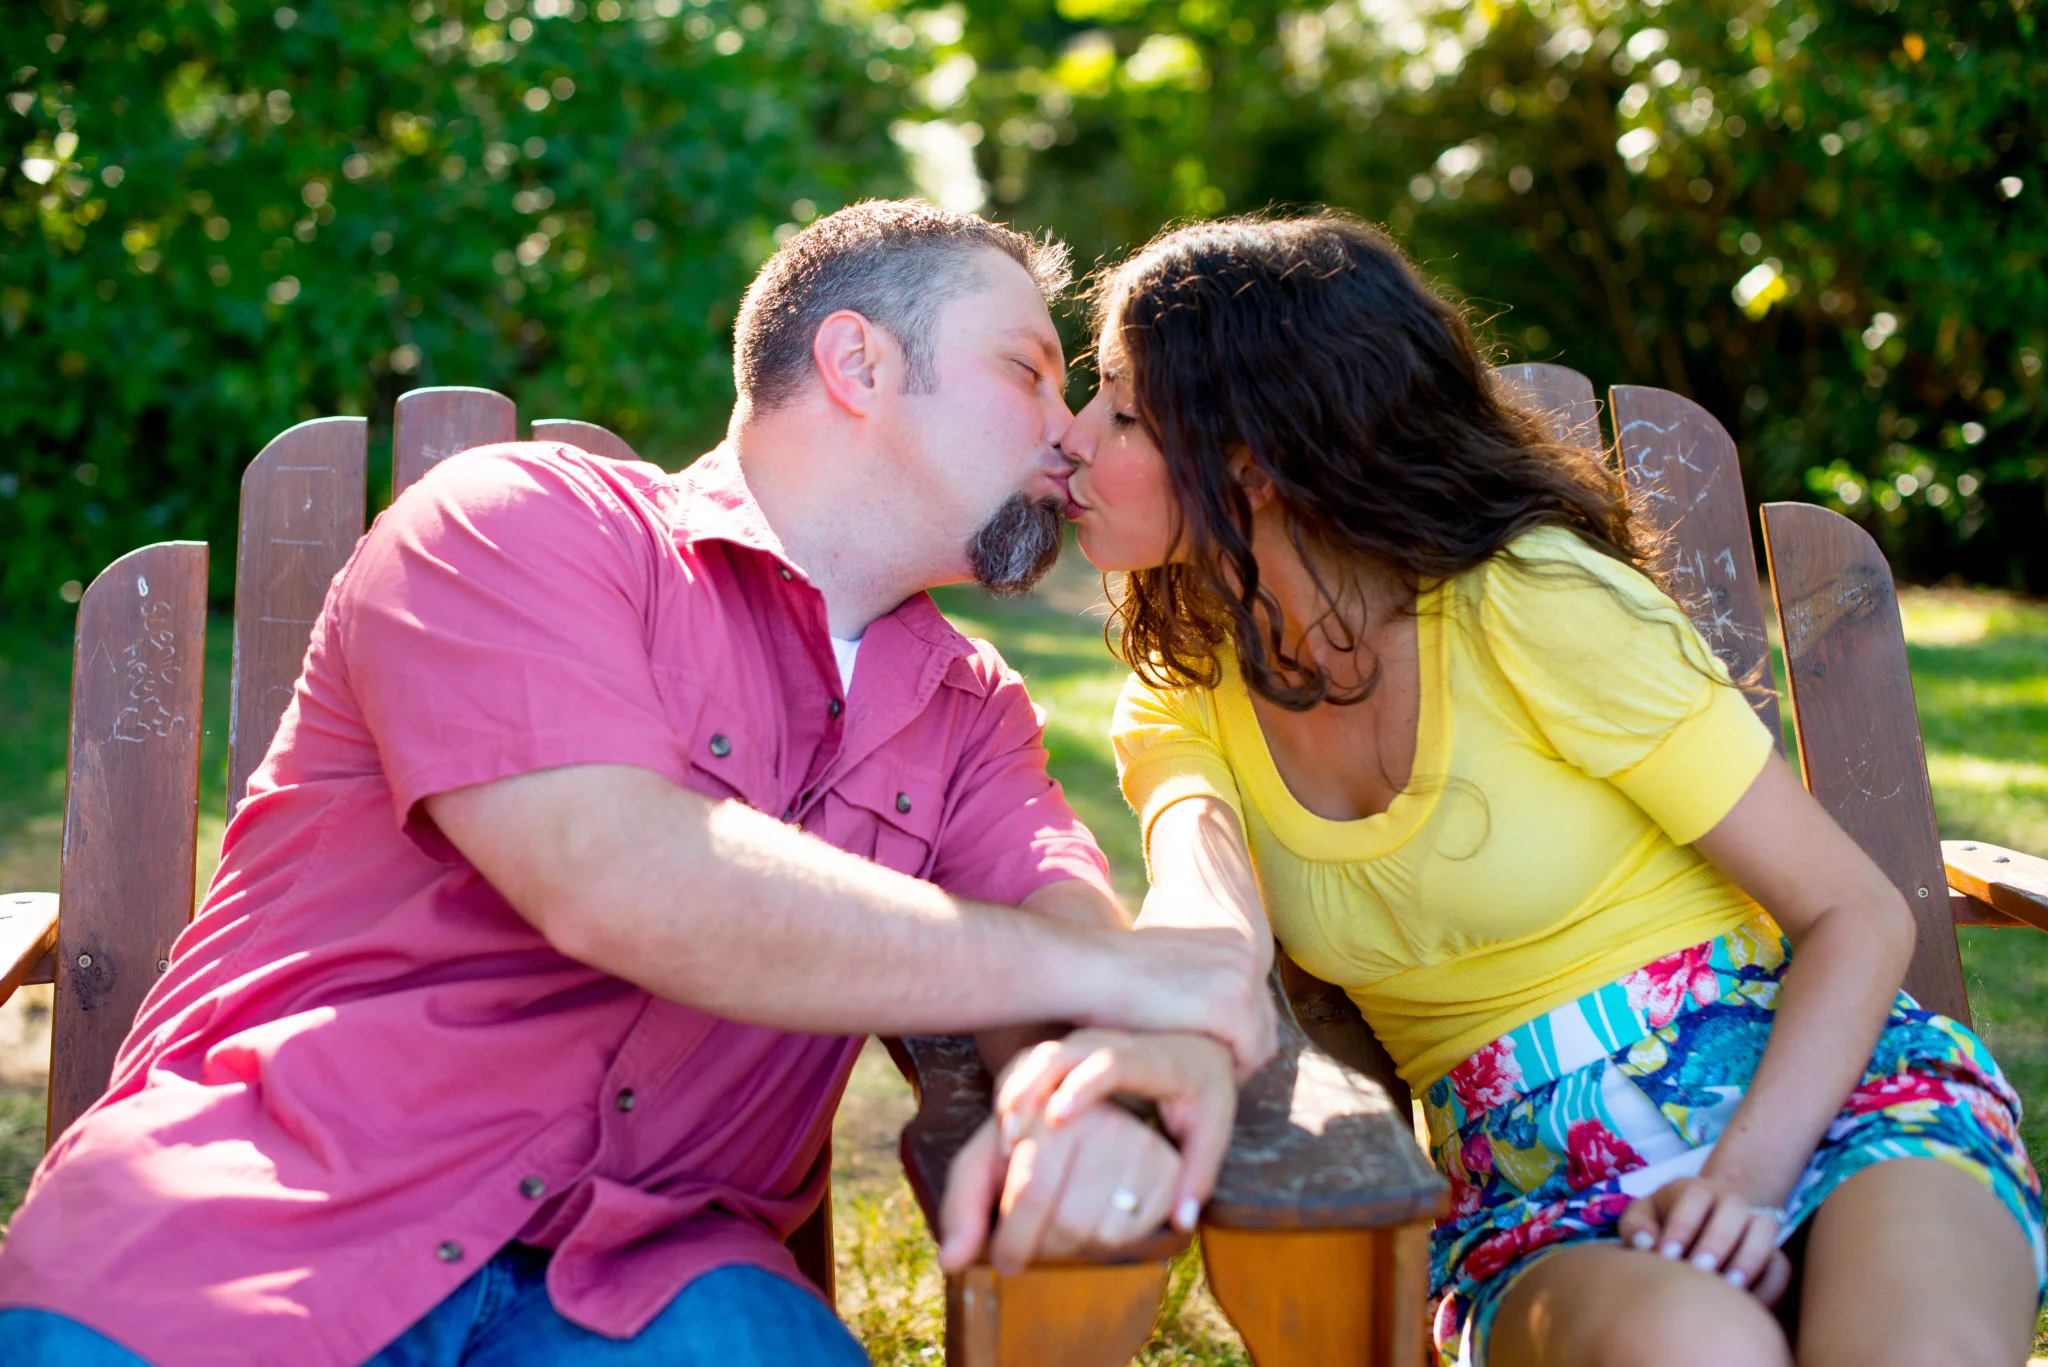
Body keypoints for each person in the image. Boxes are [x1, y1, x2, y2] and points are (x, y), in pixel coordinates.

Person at [0, 200, 1274, 1367]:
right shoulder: (523, 521)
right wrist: (1125, 980)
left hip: (654, 1290)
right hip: (266, 1222)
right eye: (1025, 369)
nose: (1067, 431)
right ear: (860, 364)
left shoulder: (968, 713)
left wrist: (1129, 1055)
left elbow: (1066, 922)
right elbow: (616, 875)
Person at [992, 212, 2044, 1367]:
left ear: (1255, 464)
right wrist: (1172, 1013)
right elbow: (1205, 899)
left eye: (1124, 411)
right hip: (1536, 1192)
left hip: (1825, 1101)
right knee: (1697, 1350)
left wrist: (1743, 1178)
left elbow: (1854, 911)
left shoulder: (1529, 606)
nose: (1072, 440)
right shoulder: (1185, 690)